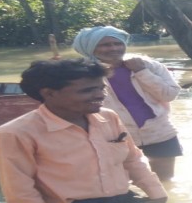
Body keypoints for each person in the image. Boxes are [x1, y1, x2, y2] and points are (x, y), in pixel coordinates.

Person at [0, 59, 168, 203]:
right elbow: (19, 190)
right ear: (49, 93)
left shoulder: (108, 117)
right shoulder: (16, 133)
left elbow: (133, 159)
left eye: (101, 88)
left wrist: (157, 194)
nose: (100, 95)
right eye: (87, 90)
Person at [73, 26, 182, 181]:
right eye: (105, 45)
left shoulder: (147, 65)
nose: (113, 48)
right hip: (113, 137)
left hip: (158, 131)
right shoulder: (81, 74)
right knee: (121, 184)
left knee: (165, 181)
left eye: (118, 43)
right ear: (90, 48)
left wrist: (142, 72)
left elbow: (169, 95)